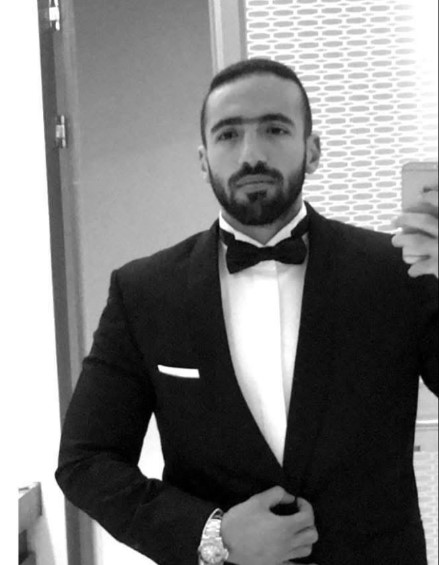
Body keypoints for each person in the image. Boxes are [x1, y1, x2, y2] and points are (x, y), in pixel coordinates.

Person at [56, 59, 438, 565]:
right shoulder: (144, 293)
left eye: (275, 129)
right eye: (228, 134)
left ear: (313, 149)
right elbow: (86, 460)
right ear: (203, 160)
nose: (251, 154)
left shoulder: (399, 272)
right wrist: (213, 535)